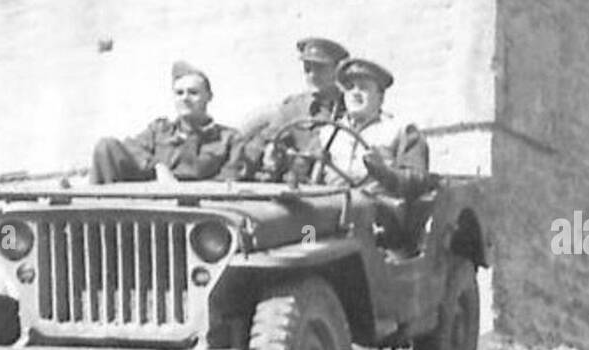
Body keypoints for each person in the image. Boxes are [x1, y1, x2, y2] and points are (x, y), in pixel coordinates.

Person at [320, 57, 431, 252]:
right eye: (350, 87)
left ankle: (376, 276)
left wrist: (384, 172)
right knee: (304, 229)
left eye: (363, 87)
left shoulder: (401, 130)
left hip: (381, 218)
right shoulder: (328, 133)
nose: (355, 92)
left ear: (380, 96)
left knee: (368, 239)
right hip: (330, 212)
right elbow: (309, 173)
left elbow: (419, 180)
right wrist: (295, 167)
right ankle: (307, 255)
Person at [91, 61, 240, 184]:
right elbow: (131, 148)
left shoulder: (229, 139)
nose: (185, 98)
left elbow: (231, 180)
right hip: (153, 210)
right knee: (105, 146)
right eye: (179, 93)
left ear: (209, 96)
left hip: (201, 211)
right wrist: (158, 166)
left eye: (193, 92)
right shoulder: (159, 131)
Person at [224, 36, 350, 179]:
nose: (313, 75)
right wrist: (244, 164)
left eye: (320, 69)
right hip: (298, 186)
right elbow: (264, 140)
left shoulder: (352, 109)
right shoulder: (294, 108)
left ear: (338, 70)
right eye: (307, 69)